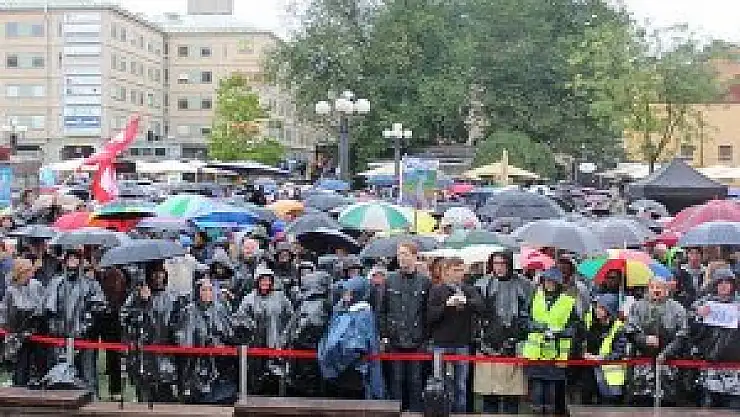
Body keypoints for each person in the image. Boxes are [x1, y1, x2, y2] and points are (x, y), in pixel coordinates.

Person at [474, 250, 531, 414]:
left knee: (511, 393)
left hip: (514, 342)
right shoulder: (483, 284)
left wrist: (519, 332)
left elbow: (528, 311)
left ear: (509, 264)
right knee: (489, 392)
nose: (498, 267)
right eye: (495, 263)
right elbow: (478, 313)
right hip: (488, 342)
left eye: (502, 263)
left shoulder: (524, 285)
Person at [44, 248, 106, 393]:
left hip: (84, 338)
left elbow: (99, 306)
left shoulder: (90, 283)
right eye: (70, 257)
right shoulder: (56, 282)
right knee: (59, 375)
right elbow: (48, 309)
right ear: (65, 260)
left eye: (75, 257)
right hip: (60, 337)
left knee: (87, 374)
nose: (72, 260)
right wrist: (54, 328)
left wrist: (86, 325)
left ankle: (92, 401)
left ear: (80, 261)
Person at [427, 257, 484, 413]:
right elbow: (430, 316)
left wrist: (466, 302)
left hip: (462, 343)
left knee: (461, 385)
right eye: (455, 270)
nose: (459, 274)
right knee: (439, 384)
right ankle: (441, 412)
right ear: (446, 271)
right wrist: (446, 305)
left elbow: (481, 307)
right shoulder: (437, 290)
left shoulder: (469, 289)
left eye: (461, 270)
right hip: (440, 343)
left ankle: (460, 412)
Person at [522, 267, 582, 415]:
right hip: (535, 353)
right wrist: (538, 327)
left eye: (552, 281)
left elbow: (576, 326)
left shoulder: (568, 302)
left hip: (556, 353)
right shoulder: (534, 297)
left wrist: (560, 332)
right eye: (546, 281)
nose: (548, 284)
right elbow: (523, 319)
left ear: (558, 284)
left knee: (551, 394)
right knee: (536, 393)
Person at [381, 241, 430, 412]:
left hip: (417, 339)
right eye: (399, 254)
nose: (401, 258)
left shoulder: (424, 281)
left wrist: (425, 338)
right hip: (395, 338)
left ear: (415, 257)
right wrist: (385, 335)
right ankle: (396, 412)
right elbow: (382, 309)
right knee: (396, 379)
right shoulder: (389, 279)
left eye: (405, 254)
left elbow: (427, 312)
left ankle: (415, 411)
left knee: (415, 380)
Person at [120, 263, 180, 403]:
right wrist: (142, 302)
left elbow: (177, 324)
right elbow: (125, 318)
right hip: (142, 355)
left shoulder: (172, 297)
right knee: (144, 396)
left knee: (165, 396)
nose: (158, 276)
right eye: (155, 273)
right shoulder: (136, 296)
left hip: (165, 353)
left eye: (161, 272)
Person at [625, 274, 688, 406]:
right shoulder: (637, 306)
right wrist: (644, 339)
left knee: (667, 402)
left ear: (666, 290)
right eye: (652, 287)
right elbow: (630, 331)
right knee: (641, 401)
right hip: (642, 364)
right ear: (648, 289)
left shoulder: (678, 309)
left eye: (659, 287)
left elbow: (682, 335)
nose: (656, 290)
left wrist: (666, 353)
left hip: (668, 364)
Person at [318, 275, 385, 400]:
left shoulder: (362, 314)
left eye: (348, 292)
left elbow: (357, 345)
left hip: (353, 369)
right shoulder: (342, 310)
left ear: (357, 294)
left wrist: (339, 362)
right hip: (339, 367)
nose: (345, 295)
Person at [235, 266, 294, 395]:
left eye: (268, 280)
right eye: (262, 279)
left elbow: (291, 318)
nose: (265, 283)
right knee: (255, 376)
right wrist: (250, 327)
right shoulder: (248, 299)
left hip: (276, 343)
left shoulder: (281, 298)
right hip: (254, 345)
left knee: (276, 376)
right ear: (257, 281)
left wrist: (284, 336)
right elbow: (240, 319)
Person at [178, 277, 237, 404]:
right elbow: (185, 340)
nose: (207, 293)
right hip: (196, 364)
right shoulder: (189, 311)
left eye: (210, 290)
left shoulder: (220, 309)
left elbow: (229, 332)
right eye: (204, 290)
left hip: (218, 362)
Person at [691, 268, 740, 409]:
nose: (724, 285)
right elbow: (690, 332)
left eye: (727, 282)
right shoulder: (702, 303)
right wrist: (698, 316)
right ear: (714, 284)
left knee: (733, 407)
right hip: (709, 366)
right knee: (708, 407)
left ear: (732, 285)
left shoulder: (738, 304)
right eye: (720, 282)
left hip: (734, 368)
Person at [1, 258, 44, 386]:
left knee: (39, 365)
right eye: (28, 270)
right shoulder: (11, 290)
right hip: (18, 336)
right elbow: (5, 313)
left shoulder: (36, 285)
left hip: (37, 333)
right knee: (21, 366)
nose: (31, 273)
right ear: (21, 272)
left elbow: (43, 304)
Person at [583, 294, 627, 405]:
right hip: (591, 372)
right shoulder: (590, 323)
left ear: (609, 310)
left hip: (611, 378)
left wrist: (600, 358)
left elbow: (619, 352)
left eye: (602, 308)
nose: (597, 310)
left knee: (610, 405)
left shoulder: (618, 328)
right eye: (597, 307)